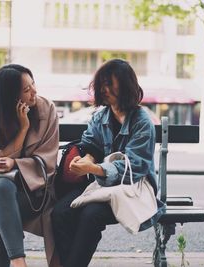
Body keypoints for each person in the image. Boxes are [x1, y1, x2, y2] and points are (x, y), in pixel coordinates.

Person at [51, 59, 159, 267]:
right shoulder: (100, 116)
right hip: (103, 186)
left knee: (91, 215)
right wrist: (85, 160)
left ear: (126, 85)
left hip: (133, 188)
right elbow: (91, 145)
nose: (103, 88)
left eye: (109, 83)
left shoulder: (142, 122)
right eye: (101, 83)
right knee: (60, 213)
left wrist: (93, 168)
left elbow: (135, 167)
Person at [0, 64, 60, 267]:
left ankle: (18, 262)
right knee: (2, 186)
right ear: (10, 95)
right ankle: (19, 261)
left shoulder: (47, 109)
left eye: (33, 84)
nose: (34, 92)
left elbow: (48, 159)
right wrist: (22, 130)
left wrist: (15, 162)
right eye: (26, 89)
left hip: (36, 191)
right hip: (0, 188)